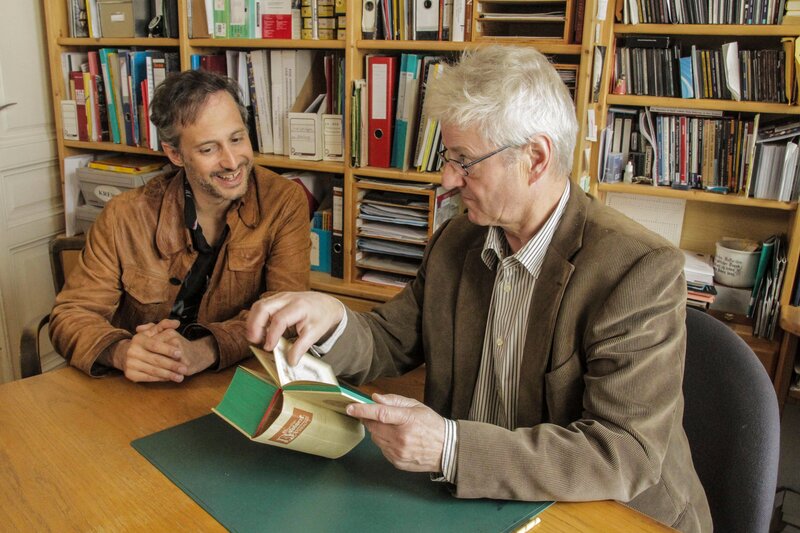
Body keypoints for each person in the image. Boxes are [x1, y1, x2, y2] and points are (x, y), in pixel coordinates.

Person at [245, 46, 712, 532]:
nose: (447, 179)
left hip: (601, 513)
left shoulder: (636, 268)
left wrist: (449, 448)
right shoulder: (458, 239)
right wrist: (331, 318)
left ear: (535, 158)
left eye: (465, 161)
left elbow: (622, 452)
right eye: (448, 157)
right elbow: (390, 338)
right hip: (475, 504)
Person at [50, 69, 311, 383]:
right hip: (137, 386)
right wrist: (122, 352)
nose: (232, 161)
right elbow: (70, 315)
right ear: (175, 154)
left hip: (231, 380)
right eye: (208, 149)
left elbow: (286, 313)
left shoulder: (283, 201)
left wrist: (205, 350)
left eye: (237, 139)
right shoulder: (124, 215)